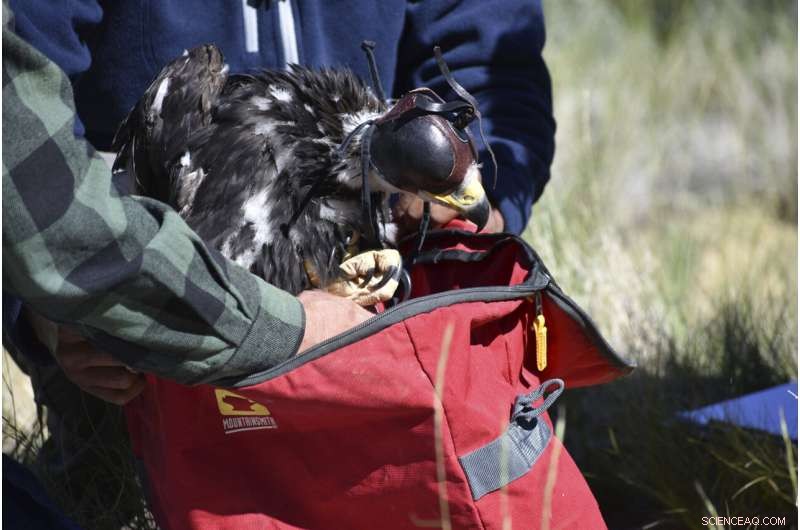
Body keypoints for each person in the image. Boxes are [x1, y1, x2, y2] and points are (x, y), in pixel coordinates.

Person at [4, 0, 554, 412]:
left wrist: (468, 196)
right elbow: (15, 116)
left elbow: (493, 63)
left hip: (378, 341)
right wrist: (49, 305)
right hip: (142, 341)